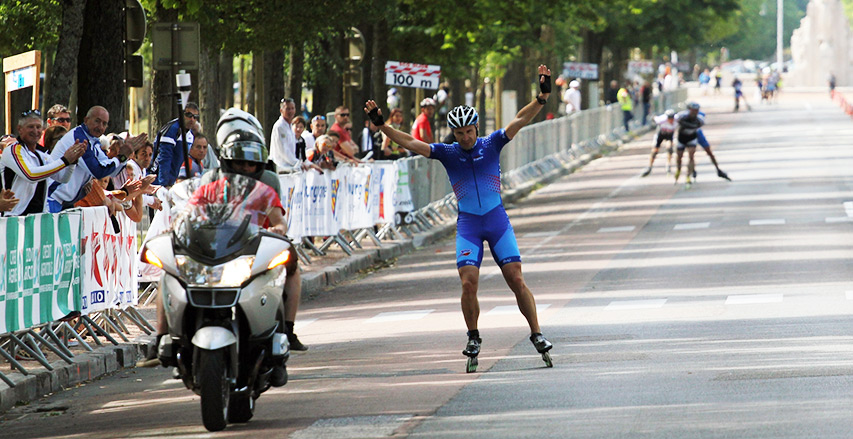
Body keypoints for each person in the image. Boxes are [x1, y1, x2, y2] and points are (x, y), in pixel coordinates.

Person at [363, 63, 555, 363]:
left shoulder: (491, 144)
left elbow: (519, 119)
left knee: (516, 279)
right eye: (459, 133)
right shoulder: (448, 153)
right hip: (469, 224)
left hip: (496, 220)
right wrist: (383, 126)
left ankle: (536, 332)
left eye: (468, 132)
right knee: (468, 282)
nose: (464, 137)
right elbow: (412, 142)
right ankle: (474, 336)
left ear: (476, 128)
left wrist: (541, 98)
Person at [47, 106, 147, 212]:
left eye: (104, 124)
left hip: (65, 202)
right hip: (52, 199)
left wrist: (124, 156)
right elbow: (98, 171)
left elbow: (110, 172)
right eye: (97, 121)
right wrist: (120, 157)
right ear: (86, 120)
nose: (100, 127)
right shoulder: (79, 138)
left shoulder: (94, 142)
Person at [0, 110, 86, 216]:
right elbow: (30, 175)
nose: (35, 131)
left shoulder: (42, 154)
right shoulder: (13, 150)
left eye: (38, 127)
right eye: (30, 127)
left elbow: (63, 178)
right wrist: (65, 161)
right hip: (15, 217)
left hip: (39, 216)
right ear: (20, 129)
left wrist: (72, 162)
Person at [153, 103, 200, 187]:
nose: (192, 119)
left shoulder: (190, 135)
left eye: (195, 117)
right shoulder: (172, 129)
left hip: (172, 180)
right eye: (189, 115)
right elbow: (164, 158)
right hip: (156, 179)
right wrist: (164, 184)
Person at [673, 102, 705, 186]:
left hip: (692, 138)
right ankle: (678, 169)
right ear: (689, 110)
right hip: (682, 138)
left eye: (696, 110)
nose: (695, 112)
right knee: (679, 157)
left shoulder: (700, 119)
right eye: (693, 110)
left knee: (691, 156)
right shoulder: (681, 116)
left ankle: (688, 176)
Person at [641, 109, 677, 177]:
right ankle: (650, 166)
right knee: (655, 151)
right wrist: (652, 117)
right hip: (660, 135)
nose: (671, 120)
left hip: (669, 135)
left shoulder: (676, 120)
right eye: (669, 119)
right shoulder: (661, 119)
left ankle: (668, 165)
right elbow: (654, 118)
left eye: (672, 118)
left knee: (669, 148)